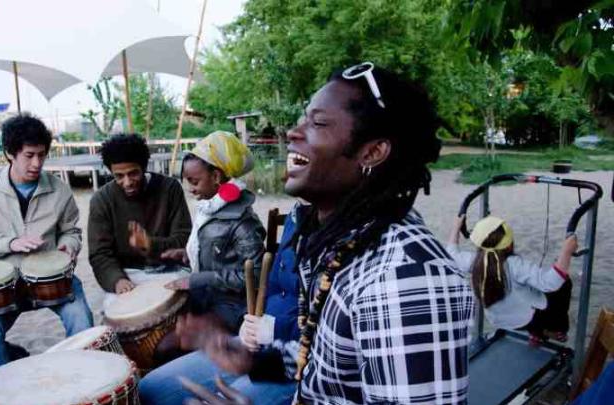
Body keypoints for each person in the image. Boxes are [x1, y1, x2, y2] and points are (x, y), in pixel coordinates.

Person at [177, 62, 475, 405]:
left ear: (372, 152)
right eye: (304, 118)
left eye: (317, 123)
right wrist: (253, 358)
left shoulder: (405, 278)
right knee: (155, 390)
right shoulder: (333, 239)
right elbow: (328, 361)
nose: (293, 132)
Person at [0, 114, 93, 375]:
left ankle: (83, 379)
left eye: (42, 155)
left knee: (81, 319)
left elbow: (71, 231)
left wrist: (69, 245)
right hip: (4, 283)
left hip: (52, 279)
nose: (37, 163)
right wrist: (10, 243)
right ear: (10, 153)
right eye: (29, 155)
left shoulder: (59, 189)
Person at [139, 203, 307, 405]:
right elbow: (273, 286)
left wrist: (264, 347)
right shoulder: (299, 213)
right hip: (264, 347)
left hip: (296, 366)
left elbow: (324, 352)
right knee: (149, 388)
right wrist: (251, 326)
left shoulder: (346, 253)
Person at [160, 131, 266, 333]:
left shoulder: (242, 222)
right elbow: (218, 254)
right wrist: (186, 254)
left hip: (232, 306)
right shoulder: (210, 208)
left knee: (176, 336)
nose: (190, 188)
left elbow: (256, 274)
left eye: (194, 181)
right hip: (208, 296)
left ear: (216, 176)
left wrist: (199, 279)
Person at [447, 215, 576, 345]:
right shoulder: (515, 264)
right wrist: (566, 251)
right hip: (526, 320)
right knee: (564, 284)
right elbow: (553, 282)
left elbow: (451, 254)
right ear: (509, 244)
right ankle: (555, 330)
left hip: (497, 320)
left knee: (529, 288)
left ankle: (538, 332)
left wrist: (456, 226)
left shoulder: (474, 262)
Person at [88, 134, 192, 294]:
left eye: (133, 173)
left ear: (144, 167)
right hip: (127, 273)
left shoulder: (170, 188)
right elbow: (100, 254)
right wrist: (116, 280)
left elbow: (184, 239)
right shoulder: (102, 199)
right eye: (119, 176)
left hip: (171, 269)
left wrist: (150, 244)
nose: (127, 182)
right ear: (111, 172)